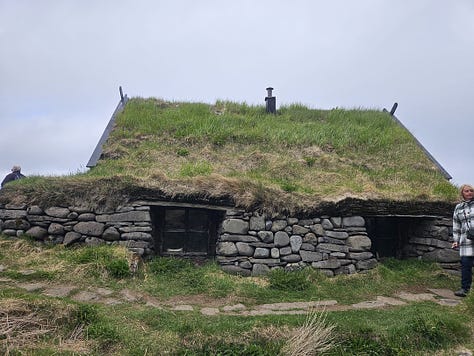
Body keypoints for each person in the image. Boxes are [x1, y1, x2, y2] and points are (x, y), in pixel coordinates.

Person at [452, 184, 474, 297]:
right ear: (462, 193)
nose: (469, 192)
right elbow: (456, 225)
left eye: (471, 191)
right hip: (466, 241)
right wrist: (455, 240)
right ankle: (465, 289)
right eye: (466, 191)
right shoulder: (459, 207)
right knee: (466, 265)